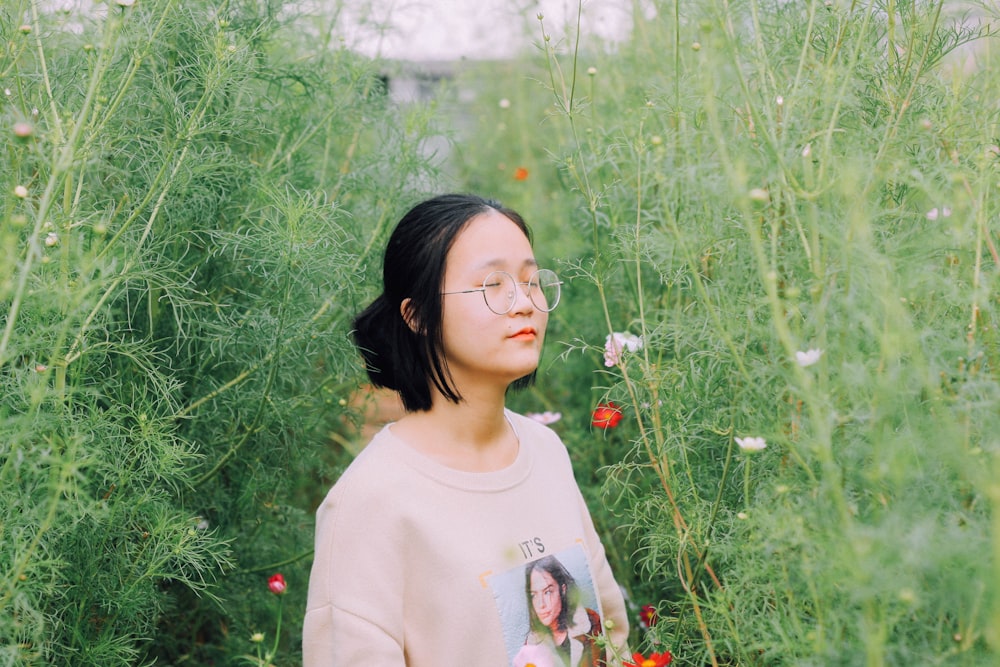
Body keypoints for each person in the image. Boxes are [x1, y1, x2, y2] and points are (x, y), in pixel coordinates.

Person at [303, 194, 629, 666]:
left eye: (531, 280)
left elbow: (608, 636)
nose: (524, 304)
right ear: (416, 315)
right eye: (493, 284)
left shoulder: (544, 451)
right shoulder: (370, 501)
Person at [524, 556, 604, 667]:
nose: (541, 604)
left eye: (547, 592)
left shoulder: (591, 622)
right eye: (533, 595)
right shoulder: (531, 647)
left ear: (563, 589)